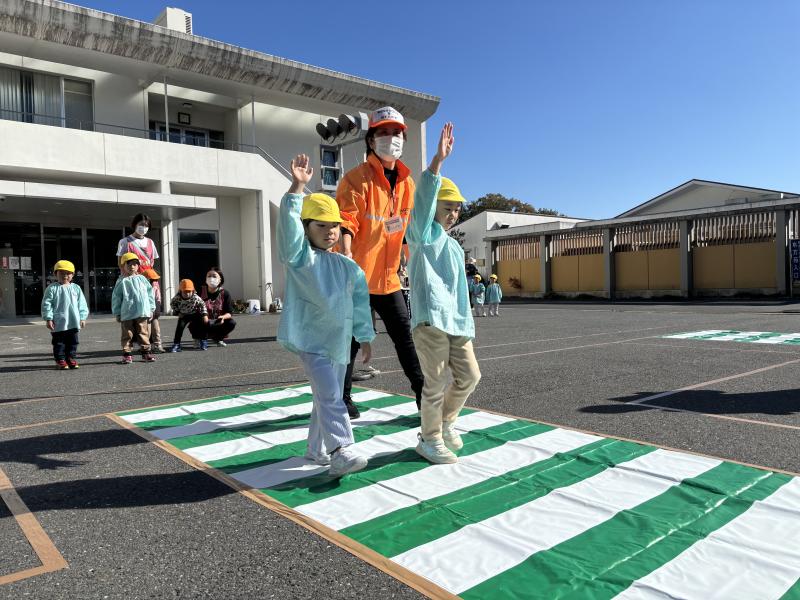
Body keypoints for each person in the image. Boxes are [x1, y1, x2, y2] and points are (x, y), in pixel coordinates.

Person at [278, 153, 375, 476]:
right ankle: (341, 448)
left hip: (338, 342)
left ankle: (316, 449)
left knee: (325, 396)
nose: (331, 231)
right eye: (322, 225)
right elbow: (289, 231)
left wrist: (364, 336)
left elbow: (360, 303)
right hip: (311, 341)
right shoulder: (299, 258)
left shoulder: (347, 266)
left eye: (336, 226)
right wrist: (296, 188)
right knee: (332, 395)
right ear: (306, 228)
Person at [336, 105, 424, 417]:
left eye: (396, 133)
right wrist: (346, 252)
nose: (391, 138)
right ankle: (341, 399)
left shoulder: (408, 184)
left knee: (404, 337)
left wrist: (413, 264)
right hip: (357, 277)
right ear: (371, 140)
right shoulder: (355, 179)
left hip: (389, 279)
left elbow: (408, 228)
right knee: (349, 343)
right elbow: (347, 219)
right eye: (383, 133)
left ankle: (423, 397)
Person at [406, 122, 481, 463]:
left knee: (470, 376)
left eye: (457, 209)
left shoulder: (452, 247)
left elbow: (461, 293)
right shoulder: (422, 234)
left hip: (456, 322)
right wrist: (437, 162)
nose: (453, 213)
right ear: (434, 205)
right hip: (430, 319)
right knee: (434, 383)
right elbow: (422, 200)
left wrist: (468, 324)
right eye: (447, 206)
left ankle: (447, 422)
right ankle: (429, 437)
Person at [41, 259, 89, 369]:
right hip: (58, 322)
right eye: (61, 273)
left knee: (73, 342)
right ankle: (60, 360)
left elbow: (82, 304)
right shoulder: (52, 288)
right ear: (55, 274)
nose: (65, 276)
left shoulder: (76, 288)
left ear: (73, 274)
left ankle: (71, 358)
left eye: (68, 273)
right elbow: (46, 304)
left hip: (73, 320)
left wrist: (82, 317)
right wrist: (48, 318)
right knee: (59, 343)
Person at [112, 252, 156, 364]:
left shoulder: (142, 279)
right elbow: (116, 298)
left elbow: (150, 293)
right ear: (123, 266)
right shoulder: (122, 281)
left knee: (143, 333)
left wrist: (151, 308)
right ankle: (127, 354)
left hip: (142, 312)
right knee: (127, 334)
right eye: (129, 264)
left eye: (135, 264)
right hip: (127, 313)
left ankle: (146, 352)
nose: (132, 267)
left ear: (138, 266)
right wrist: (117, 313)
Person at [195, 268, 236, 347]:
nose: (211, 278)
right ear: (206, 279)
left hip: (218, 321)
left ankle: (218, 338)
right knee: (193, 318)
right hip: (203, 321)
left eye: (214, 276)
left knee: (231, 322)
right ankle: (198, 338)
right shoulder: (200, 291)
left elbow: (229, 312)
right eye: (209, 276)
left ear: (220, 279)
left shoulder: (225, 293)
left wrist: (223, 317)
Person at [169, 279, 209, 352]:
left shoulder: (196, 297)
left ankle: (203, 341)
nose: (187, 294)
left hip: (195, 314)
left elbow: (202, 305)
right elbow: (172, 304)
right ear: (181, 291)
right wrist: (178, 312)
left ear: (193, 291)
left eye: (189, 291)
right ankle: (176, 344)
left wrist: (205, 315)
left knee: (202, 325)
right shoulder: (177, 298)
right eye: (185, 292)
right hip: (183, 315)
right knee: (179, 329)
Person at [141, 268, 165, 352]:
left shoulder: (147, 284)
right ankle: (158, 345)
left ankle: (148, 346)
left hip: (149, 306)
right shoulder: (156, 283)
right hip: (157, 305)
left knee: (147, 326)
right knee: (155, 324)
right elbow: (158, 297)